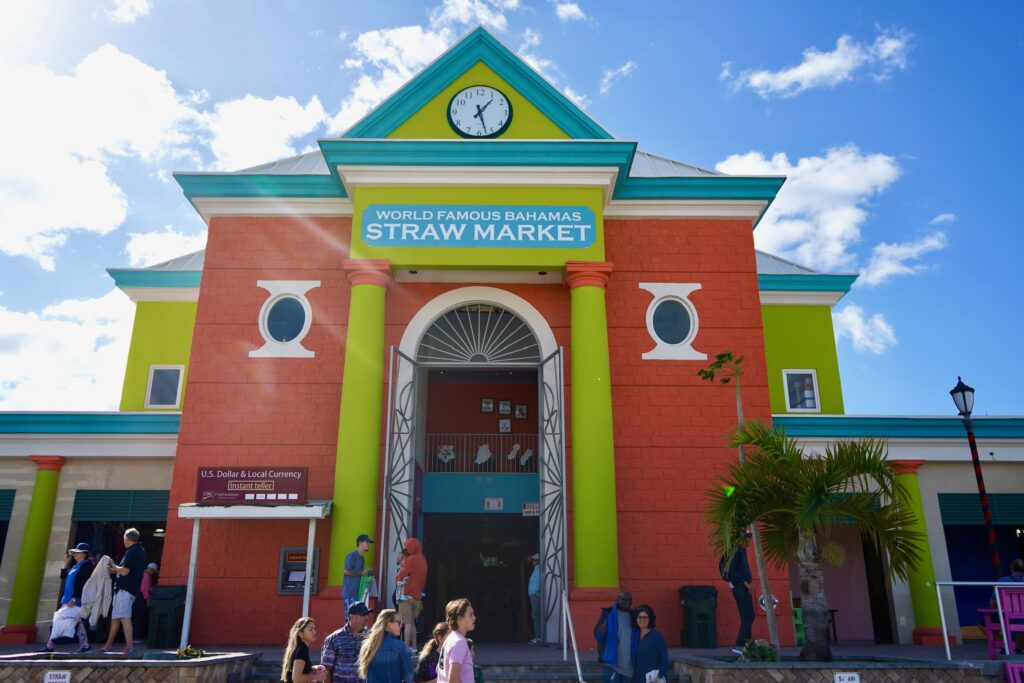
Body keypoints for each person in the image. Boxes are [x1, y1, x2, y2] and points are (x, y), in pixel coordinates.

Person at [40, 542, 94, 653]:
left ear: (84, 554)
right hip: (68, 598)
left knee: (60, 620)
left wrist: (74, 598)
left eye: (77, 553)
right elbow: (63, 576)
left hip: (75, 600)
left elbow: (82, 583)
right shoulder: (76, 565)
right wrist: (66, 563)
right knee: (77, 623)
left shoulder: (86, 565)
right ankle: (85, 646)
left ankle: (50, 645)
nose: (74, 554)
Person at [101, 527, 147, 654]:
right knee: (116, 618)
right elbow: (125, 570)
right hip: (126, 589)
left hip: (125, 589)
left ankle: (130, 647)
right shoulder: (138, 551)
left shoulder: (133, 551)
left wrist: (112, 565)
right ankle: (108, 646)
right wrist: (114, 569)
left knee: (124, 617)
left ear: (127, 538)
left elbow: (125, 571)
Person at [357, 608, 414, 683]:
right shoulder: (400, 647)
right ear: (388, 624)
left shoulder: (367, 645)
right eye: (399, 622)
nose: (401, 626)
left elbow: (364, 677)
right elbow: (409, 677)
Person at [720, 531, 755, 655]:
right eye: (748, 540)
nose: (750, 543)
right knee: (749, 616)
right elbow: (728, 571)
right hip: (739, 586)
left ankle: (748, 645)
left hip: (742, 586)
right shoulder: (736, 551)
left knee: (748, 616)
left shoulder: (741, 551)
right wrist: (744, 582)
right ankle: (740, 645)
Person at [321, 600, 372, 683]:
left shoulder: (371, 637)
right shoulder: (334, 639)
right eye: (363, 614)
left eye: (367, 614)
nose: (366, 617)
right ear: (351, 617)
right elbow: (326, 668)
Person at [594, 591, 637, 683]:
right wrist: (601, 631)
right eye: (624, 600)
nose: (627, 602)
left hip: (629, 666)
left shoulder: (635, 615)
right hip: (612, 665)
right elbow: (598, 636)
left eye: (629, 600)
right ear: (617, 600)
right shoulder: (608, 613)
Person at [396, 538, 428, 649]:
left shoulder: (411, 559)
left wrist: (397, 577)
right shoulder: (423, 560)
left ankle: (406, 648)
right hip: (417, 597)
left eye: (408, 546)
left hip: (406, 596)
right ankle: (414, 648)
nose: (407, 548)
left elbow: (402, 574)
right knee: (413, 623)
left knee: (407, 623)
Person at [437, 598, 476, 683]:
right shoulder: (459, 642)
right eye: (471, 615)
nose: (474, 618)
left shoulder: (451, 638)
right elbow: (453, 678)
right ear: (460, 618)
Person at [991, 558, 1024, 653]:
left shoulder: (1002, 581)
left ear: (1011, 568)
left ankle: (1004, 645)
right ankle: (1018, 649)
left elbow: (993, 603)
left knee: (983, 623)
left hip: (1007, 616)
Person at [281, 616, 329, 682]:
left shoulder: (299, 647)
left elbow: (300, 671)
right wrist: (317, 677)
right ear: (301, 634)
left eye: (314, 629)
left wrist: (312, 669)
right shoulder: (302, 650)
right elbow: (296, 678)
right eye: (310, 630)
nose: (314, 632)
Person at [632, 605, 669, 683]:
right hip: (638, 678)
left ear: (650, 619)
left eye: (645, 617)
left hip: (653, 679)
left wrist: (659, 675)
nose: (642, 619)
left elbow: (665, 658)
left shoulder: (656, 636)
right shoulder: (635, 636)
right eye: (640, 617)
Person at [343, 534, 374, 615]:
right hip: (350, 593)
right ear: (360, 543)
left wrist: (365, 572)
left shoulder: (362, 558)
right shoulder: (352, 555)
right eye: (367, 542)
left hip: (358, 592)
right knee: (350, 618)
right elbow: (346, 571)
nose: (368, 545)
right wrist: (361, 573)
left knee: (357, 618)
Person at [133, 562, 159, 643]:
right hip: (140, 598)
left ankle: (135, 636)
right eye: (153, 572)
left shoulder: (140, 573)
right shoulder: (147, 576)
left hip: (135, 597)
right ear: (151, 570)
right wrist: (148, 602)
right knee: (140, 617)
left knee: (135, 616)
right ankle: (137, 637)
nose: (153, 573)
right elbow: (146, 590)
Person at [527, 553, 541, 644]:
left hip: (536, 596)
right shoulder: (536, 570)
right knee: (535, 615)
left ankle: (538, 636)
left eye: (535, 560)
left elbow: (540, 583)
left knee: (536, 615)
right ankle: (538, 635)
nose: (533, 561)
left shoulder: (539, 570)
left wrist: (535, 593)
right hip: (534, 596)